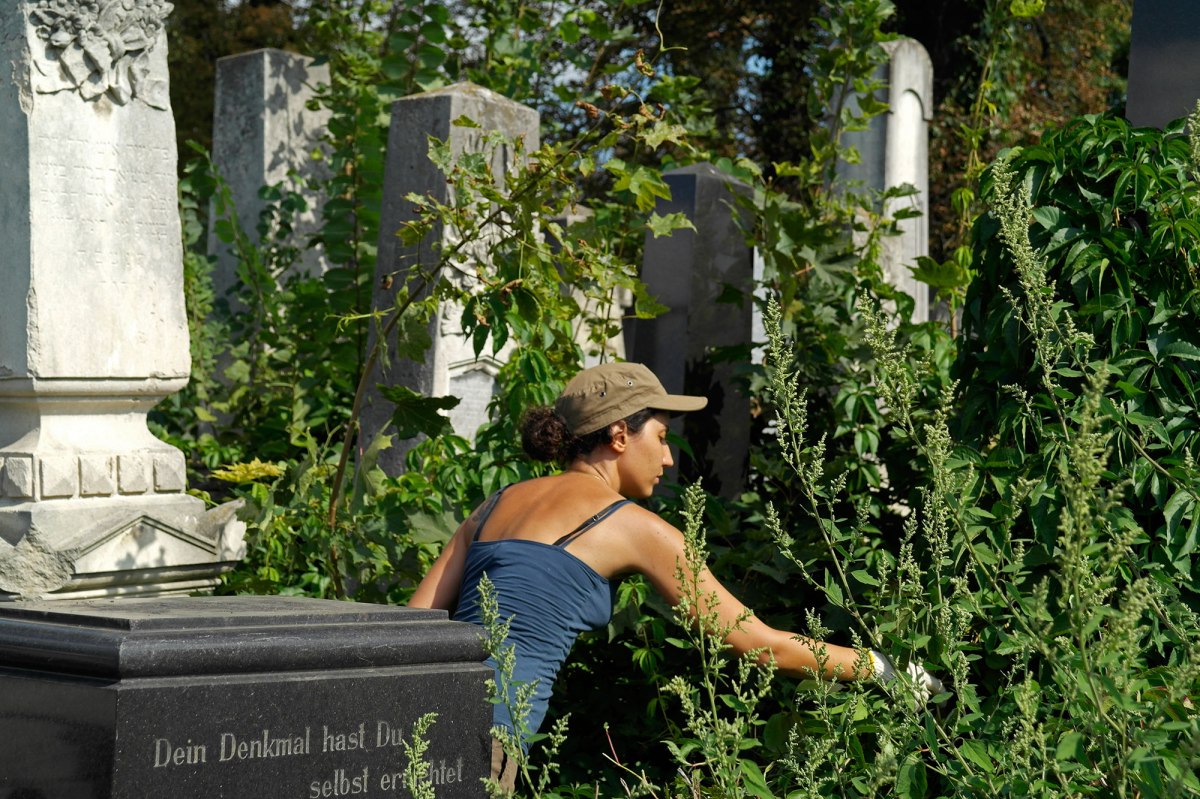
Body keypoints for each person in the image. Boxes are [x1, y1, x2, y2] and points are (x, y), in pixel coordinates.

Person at [409, 361, 942, 787]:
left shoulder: (494, 503)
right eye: (661, 437)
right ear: (620, 435)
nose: (668, 458)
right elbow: (760, 644)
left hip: (412, 721)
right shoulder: (633, 526)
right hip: (487, 743)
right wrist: (885, 671)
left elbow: (413, 625)